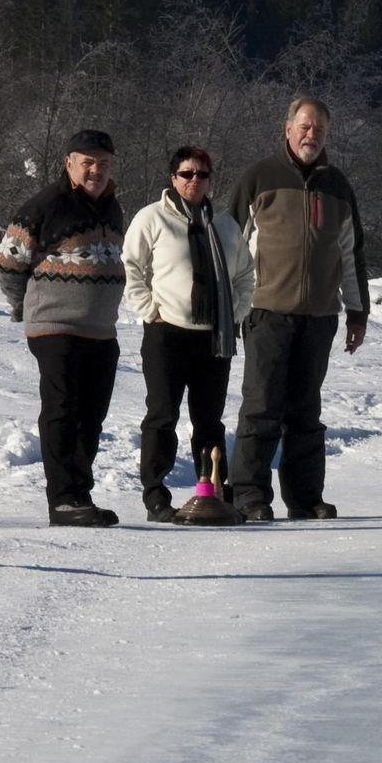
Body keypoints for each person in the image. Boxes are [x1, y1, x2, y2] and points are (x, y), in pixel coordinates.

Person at [226, 97, 368, 522]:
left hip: (319, 317)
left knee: (306, 411)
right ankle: (249, 495)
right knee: (261, 406)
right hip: (266, 312)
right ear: (287, 128)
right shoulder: (259, 178)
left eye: (319, 129)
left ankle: (305, 498)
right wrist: (229, 307)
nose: (312, 135)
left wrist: (357, 312)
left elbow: (351, 253)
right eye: (305, 126)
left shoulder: (338, 186)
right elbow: (230, 247)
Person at [0, 129, 128, 528]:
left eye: (103, 163)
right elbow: (8, 262)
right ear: (69, 163)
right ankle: (63, 500)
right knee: (63, 409)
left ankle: (80, 494)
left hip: (101, 330)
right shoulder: (46, 205)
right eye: (87, 162)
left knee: (92, 414)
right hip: (55, 326)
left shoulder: (112, 208)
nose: (95, 170)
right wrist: (28, 307)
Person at [124, 145, 254, 521]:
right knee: (162, 415)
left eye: (202, 174)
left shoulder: (224, 224)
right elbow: (130, 266)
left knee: (209, 420)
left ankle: (212, 491)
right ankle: (156, 496)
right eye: (187, 173)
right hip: (167, 333)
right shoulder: (152, 218)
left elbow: (246, 276)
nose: (195, 180)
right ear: (173, 178)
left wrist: (235, 313)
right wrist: (150, 310)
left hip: (214, 336)